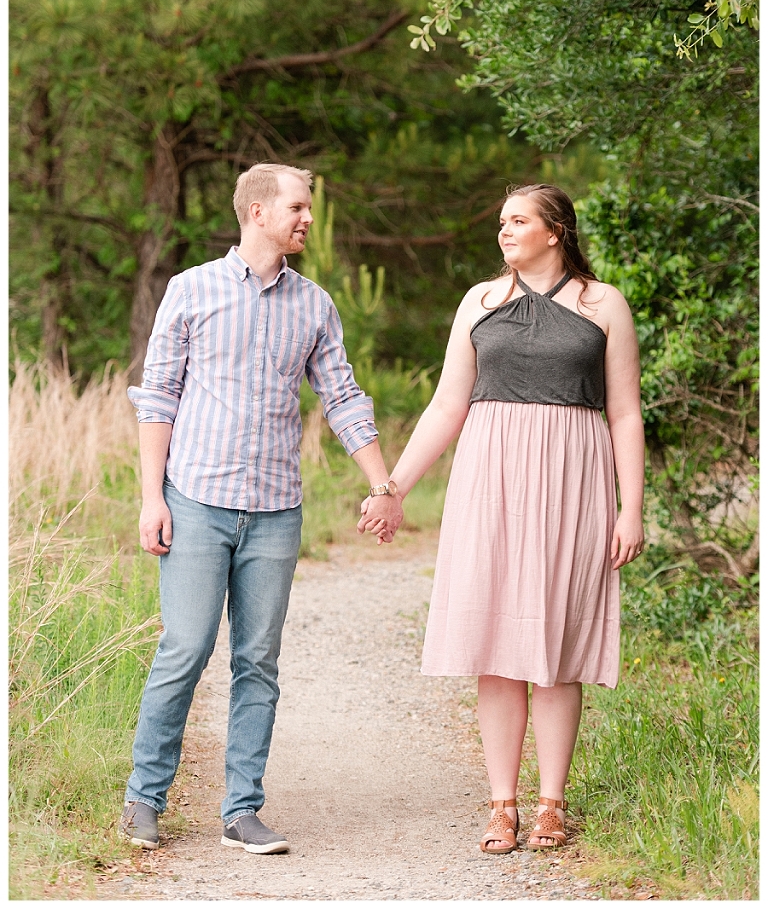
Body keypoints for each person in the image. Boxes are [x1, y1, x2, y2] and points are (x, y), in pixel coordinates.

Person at [120, 162, 402, 855]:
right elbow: (157, 398)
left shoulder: (316, 305)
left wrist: (383, 484)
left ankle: (241, 809)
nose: (309, 219)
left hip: (276, 510)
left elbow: (342, 396)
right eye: (299, 207)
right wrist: (151, 496)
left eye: (309, 207)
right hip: (196, 501)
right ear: (257, 211)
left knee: (258, 660)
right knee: (185, 647)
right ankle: (142, 798)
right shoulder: (191, 290)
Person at [359, 183, 644, 852]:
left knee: (556, 645)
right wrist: (395, 485)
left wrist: (631, 505)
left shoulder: (604, 305)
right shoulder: (481, 303)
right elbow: (445, 405)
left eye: (518, 220)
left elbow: (626, 412)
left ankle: (551, 803)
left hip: (573, 474)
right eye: (500, 222)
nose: (504, 231)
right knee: (494, 642)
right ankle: (501, 804)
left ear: (556, 231)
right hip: (490, 476)